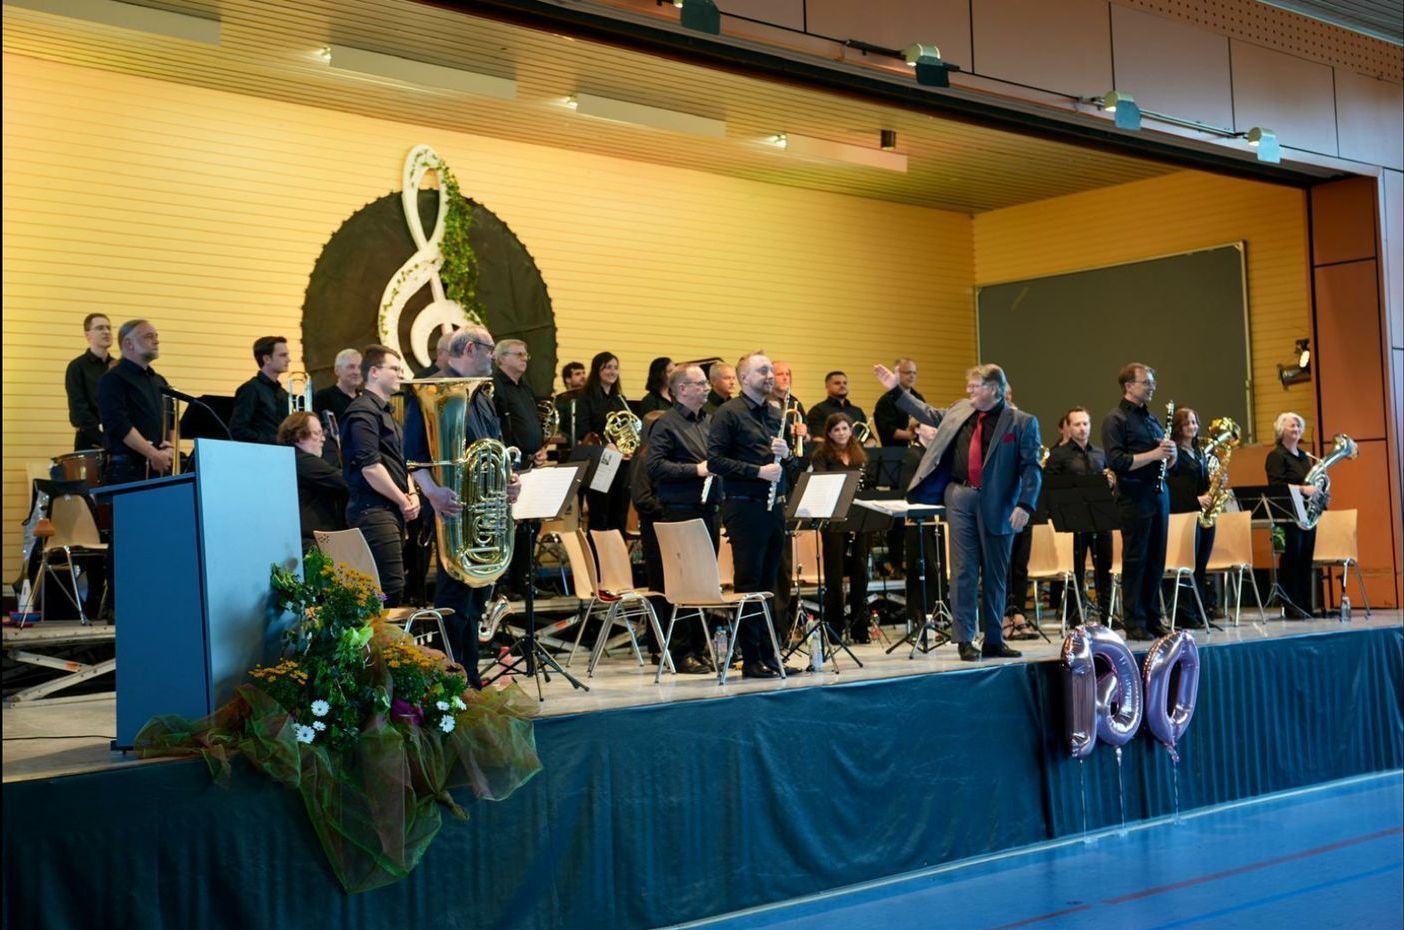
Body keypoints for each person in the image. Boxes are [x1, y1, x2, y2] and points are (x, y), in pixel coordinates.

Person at [874, 361, 1042, 661]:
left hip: (999, 502)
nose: (968, 390)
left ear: (993, 389)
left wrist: (1025, 504)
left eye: (974, 386)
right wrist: (896, 390)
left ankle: (994, 640)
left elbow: (1031, 467)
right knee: (963, 570)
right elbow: (926, 413)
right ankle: (965, 639)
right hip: (960, 496)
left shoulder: (1022, 422)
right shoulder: (960, 409)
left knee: (995, 574)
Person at [404, 325, 518, 684]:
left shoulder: (482, 395)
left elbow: (495, 449)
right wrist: (432, 492)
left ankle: (470, 675)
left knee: (475, 600)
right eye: (490, 349)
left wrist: (508, 480)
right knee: (454, 600)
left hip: (480, 510)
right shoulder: (429, 389)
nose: (494, 357)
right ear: (470, 348)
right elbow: (412, 454)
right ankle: (452, 680)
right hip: (450, 507)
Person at [708, 351, 794, 679]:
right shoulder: (728, 413)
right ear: (744, 378)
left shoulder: (775, 413)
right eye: (762, 371)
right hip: (745, 506)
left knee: (771, 585)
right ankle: (751, 658)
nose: (770, 376)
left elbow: (790, 468)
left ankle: (771, 655)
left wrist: (788, 455)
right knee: (749, 584)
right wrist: (757, 471)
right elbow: (715, 461)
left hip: (775, 508)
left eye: (771, 370)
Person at [643, 364, 722, 673]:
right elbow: (655, 466)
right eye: (700, 383)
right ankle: (680, 651)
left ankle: (700, 647)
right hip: (680, 511)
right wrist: (696, 470)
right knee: (685, 582)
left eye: (706, 383)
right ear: (682, 389)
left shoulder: (710, 421)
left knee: (704, 581)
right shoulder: (666, 423)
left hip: (708, 509)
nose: (707, 388)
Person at [340, 344, 420, 608]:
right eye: (395, 369)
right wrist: (403, 500)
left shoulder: (386, 414)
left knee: (389, 585)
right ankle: (376, 626)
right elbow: (370, 467)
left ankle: (377, 621)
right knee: (389, 587)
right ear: (374, 372)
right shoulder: (362, 412)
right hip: (373, 510)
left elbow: (402, 462)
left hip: (390, 508)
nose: (401, 374)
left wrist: (412, 493)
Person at [1102, 363, 1176, 641]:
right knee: (1136, 559)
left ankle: (1153, 617)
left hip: (1159, 495)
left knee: (1156, 559)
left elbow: (1167, 461)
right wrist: (1155, 454)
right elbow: (1117, 462)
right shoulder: (1115, 419)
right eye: (1146, 382)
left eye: (1152, 381)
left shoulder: (1152, 419)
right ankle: (1134, 621)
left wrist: (1172, 454)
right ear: (1129, 386)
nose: (1152, 386)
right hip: (1134, 496)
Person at [1044, 407, 1115, 624]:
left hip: (1100, 518)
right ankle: (1075, 614)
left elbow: (1112, 482)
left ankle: (1106, 614)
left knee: (1104, 566)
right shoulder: (1059, 455)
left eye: (1085, 423)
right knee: (1076, 568)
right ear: (1068, 427)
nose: (1082, 428)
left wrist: (1111, 482)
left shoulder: (1100, 454)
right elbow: (1050, 485)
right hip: (1073, 519)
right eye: (1077, 424)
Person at [809, 413, 872, 645]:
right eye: (836, 429)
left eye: (845, 428)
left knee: (860, 572)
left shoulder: (860, 455)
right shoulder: (821, 455)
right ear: (829, 433)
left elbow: (869, 485)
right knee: (834, 575)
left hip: (858, 518)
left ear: (850, 430)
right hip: (833, 520)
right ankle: (834, 629)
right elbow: (821, 483)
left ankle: (860, 629)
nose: (841, 433)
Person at [492, 338, 546, 599]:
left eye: (526, 355)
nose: (525, 358)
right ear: (501, 358)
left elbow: (531, 422)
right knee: (505, 525)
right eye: (519, 354)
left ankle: (521, 580)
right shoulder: (495, 387)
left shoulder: (524, 388)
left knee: (530, 524)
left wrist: (539, 447)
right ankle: (500, 583)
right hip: (508, 466)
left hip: (529, 462)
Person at [97, 319, 173, 485]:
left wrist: (169, 449)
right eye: (149, 336)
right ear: (129, 343)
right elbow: (119, 424)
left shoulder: (159, 381)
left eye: (156, 336)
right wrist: (153, 454)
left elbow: (170, 420)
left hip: (158, 467)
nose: (156, 341)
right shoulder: (113, 379)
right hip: (127, 471)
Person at [1265, 411, 1319, 619]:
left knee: (1305, 560)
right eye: (1291, 426)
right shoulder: (1276, 456)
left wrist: (1319, 494)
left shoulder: (1305, 457)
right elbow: (1276, 486)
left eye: (1298, 426)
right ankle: (1291, 605)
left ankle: (1305, 604)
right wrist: (1303, 490)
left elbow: (1312, 483)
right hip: (1287, 516)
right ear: (1281, 431)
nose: (1296, 429)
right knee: (1291, 559)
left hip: (1307, 516)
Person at [1166, 407, 1216, 627]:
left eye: (1194, 422)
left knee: (1201, 566)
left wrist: (1214, 486)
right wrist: (1196, 500)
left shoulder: (1199, 452)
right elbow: (1172, 487)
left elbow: (1202, 482)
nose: (1192, 427)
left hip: (1203, 514)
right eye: (1187, 423)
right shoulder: (1174, 453)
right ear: (1178, 427)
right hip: (1183, 515)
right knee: (1188, 565)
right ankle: (1184, 614)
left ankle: (1199, 612)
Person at [575, 351, 635, 531]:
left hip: (622, 463)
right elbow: (583, 430)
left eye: (615, 367)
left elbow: (631, 427)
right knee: (600, 513)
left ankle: (617, 548)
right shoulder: (586, 398)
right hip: (601, 462)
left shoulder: (620, 399)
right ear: (597, 370)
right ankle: (596, 548)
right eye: (607, 367)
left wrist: (629, 448)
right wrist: (605, 444)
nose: (613, 371)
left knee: (620, 513)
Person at [277, 411, 348, 550]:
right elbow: (342, 480)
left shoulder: (289, 460)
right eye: (317, 433)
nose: (323, 439)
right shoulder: (302, 460)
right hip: (311, 543)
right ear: (299, 436)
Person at [65, 313, 115, 451]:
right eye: (100, 328)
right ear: (88, 335)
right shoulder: (77, 367)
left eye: (108, 328)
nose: (106, 331)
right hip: (90, 441)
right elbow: (78, 409)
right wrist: (104, 439)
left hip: (119, 439)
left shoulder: (119, 367)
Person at [231, 335, 291, 444]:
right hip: (261, 451)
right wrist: (273, 440)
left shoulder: (283, 393)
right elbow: (238, 430)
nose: (289, 360)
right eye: (283, 355)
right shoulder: (250, 389)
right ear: (267, 359)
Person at [806, 371, 871, 442]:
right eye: (837, 383)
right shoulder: (817, 411)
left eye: (845, 383)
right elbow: (817, 438)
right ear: (827, 387)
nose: (842, 386)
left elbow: (871, 439)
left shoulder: (857, 411)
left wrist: (862, 447)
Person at [873, 358, 924, 447]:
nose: (912, 376)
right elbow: (887, 430)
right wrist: (913, 435)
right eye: (908, 372)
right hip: (896, 451)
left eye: (914, 373)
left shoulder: (919, 398)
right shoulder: (885, 401)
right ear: (895, 374)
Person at [312, 348, 363, 423]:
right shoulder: (323, 398)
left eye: (360, 367)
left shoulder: (367, 398)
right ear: (337, 371)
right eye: (351, 367)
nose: (357, 372)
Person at [553, 360, 587, 452]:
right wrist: (574, 442)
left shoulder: (588, 399)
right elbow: (557, 428)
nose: (583, 376)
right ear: (567, 379)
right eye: (578, 374)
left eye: (584, 373)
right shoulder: (560, 401)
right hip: (567, 450)